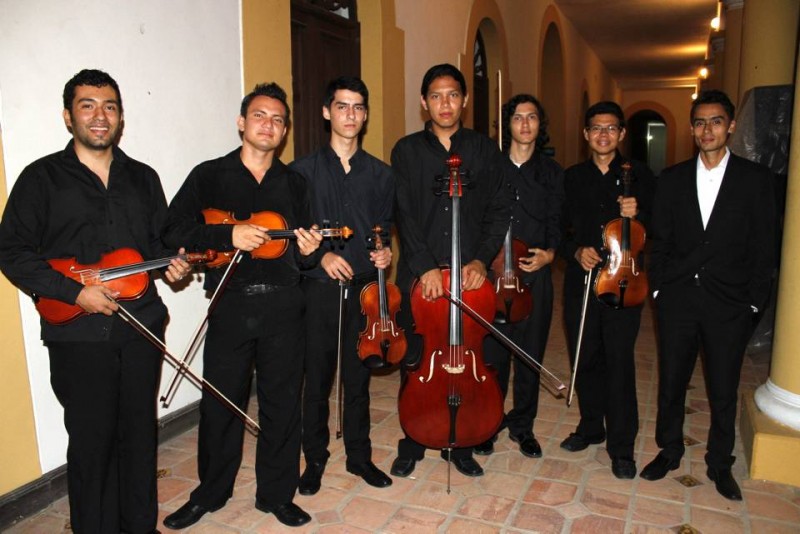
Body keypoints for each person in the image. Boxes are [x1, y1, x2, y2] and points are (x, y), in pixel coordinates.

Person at [0, 69, 190, 534]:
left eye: (109, 106)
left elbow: (157, 245)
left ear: (120, 117)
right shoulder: (41, 178)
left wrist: (173, 265)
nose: (100, 116)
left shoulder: (143, 178)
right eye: (88, 105)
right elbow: (11, 252)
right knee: (91, 443)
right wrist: (74, 292)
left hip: (140, 327)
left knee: (139, 436)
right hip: (77, 333)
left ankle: (139, 526)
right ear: (69, 116)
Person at [161, 82, 322, 529]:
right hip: (230, 304)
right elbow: (172, 229)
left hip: (285, 307)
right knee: (220, 404)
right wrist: (225, 236)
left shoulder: (294, 182)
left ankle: (276, 494)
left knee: (282, 404)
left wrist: (308, 248)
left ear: (284, 131)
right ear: (241, 123)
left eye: (277, 119)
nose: (268, 125)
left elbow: (303, 251)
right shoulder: (208, 175)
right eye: (259, 116)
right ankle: (210, 493)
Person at [640, 89, 776, 500]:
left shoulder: (757, 180)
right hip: (678, 299)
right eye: (699, 122)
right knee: (672, 382)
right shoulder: (673, 179)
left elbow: (765, 248)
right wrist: (661, 288)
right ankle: (670, 449)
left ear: (731, 126)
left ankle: (720, 462)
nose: (706, 130)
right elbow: (658, 241)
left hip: (730, 304)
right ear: (692, 128)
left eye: (716, 121)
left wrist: (753, 302)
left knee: (722, 387)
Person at [389, 63, 510, 479]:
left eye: (453, 95)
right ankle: (413, 437)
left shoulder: (484, 150)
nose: (445, 103)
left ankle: (461, 442)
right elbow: (403, 212)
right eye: (436, 96)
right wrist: (423, 267)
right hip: (419, 275)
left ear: (464, 100)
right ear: (424, 102)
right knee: (418, 358)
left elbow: (498, 210)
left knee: (468, 355)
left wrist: (479, 260)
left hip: (469, 277)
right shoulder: (405, 151)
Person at [290, 76, 394, 495]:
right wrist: (321, 255)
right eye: (342, 106)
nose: (350, 115)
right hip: (318, 289)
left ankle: (359, 455)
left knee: (360, 375)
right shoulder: (300, 173)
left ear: (365, 115)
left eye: (357, 107)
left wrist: (387, 256)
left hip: (366, 289)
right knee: (316, 378)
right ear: (326, 111)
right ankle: (314, 458)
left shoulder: (382, 174)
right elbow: (294, 237)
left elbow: (384, 232)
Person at [559, 101, 655, 479]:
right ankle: (590, 426)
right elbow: (558, 228)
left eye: (611, 128)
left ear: (622, 134)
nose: (603, 135)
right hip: (581, 278)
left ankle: (621, 446)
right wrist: (573, 250)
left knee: (619, 362)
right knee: (584, 355)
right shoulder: (571, 177)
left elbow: (659, 229)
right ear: (585, 134)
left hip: (624, 281)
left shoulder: (642, 177)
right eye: (596, 128)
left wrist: (639, 214)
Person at [475, 94, 564, 458]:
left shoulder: (553, 173)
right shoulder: (489, 167)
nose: (525, 125)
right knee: (493, 356)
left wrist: (551, 254)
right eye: (517, 118)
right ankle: (490, 421)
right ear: (506, 125)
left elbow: (559, 222)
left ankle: (522, 425)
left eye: (532, 118)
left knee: (529, 354)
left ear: (540, 125)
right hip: (494, 276)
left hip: (534, 275)